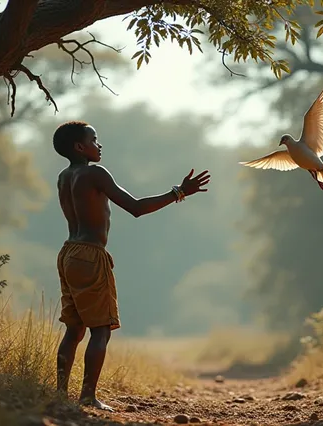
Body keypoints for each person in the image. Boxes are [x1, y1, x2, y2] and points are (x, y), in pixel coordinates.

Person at [52, 120, 210, 411]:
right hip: (90, 254)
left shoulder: (64, 176)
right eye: (94, 139)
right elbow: (136, 208)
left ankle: (60, 394)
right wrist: (179, 192)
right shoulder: (95, 173)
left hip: (68, 253)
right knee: (101, 330)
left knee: (74, 330)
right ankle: (88, 396)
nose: (99, 145)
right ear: (79, 146)